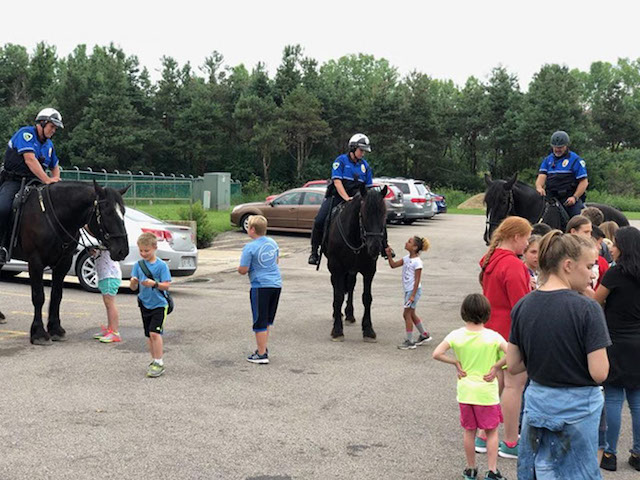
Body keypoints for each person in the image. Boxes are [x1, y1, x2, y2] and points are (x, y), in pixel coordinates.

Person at [508, 231, 611, 479]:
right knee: (577, 471)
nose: (592, 273)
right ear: (568, 265)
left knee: (540, 467)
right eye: (588, 266)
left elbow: (513, 365)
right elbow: (599, 373)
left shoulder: (524, 305)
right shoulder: (588, 309)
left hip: (538, 400)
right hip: (578, 405)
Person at [432, 293, 508, 480]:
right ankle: (492, 470)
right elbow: (513, 354)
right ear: (487, 313)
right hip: (487, 392)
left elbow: (437, 353)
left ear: (463, 313)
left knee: (469, 431)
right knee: (491, 432)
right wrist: (496, 366)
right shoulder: (493, 337)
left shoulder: (456, 335)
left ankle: (471, 468)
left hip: (466, 391)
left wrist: (455, 362)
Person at [478, 216, 532, 458]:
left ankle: (482, 435)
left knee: (497, 385)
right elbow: (521, 306)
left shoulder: (492, 260)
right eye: (527, 239)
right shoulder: (512, 264)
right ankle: (510, 442)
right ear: (516, 237)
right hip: (511, 333)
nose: (528, 244)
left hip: (492, 329)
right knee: (514, 386)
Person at [595, 227, 640, 472]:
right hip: (638, 342)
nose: (611, 248)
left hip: (616, 340)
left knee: (613, 398)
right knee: (637, 401)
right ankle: (638, 452)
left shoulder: (615, 274)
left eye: (614, 244)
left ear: (623, 247)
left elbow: (595, 300)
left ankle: (610, 453)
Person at [0, 108, 63, 263]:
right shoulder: (26, 134)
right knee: (3, 208)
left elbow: (55, 165)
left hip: (35, 183)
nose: (53, 130)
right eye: (52, 126)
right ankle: (1, 246)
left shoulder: (49, 145)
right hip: (13, 181)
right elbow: (30, 160)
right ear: (42, 123)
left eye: (55, 128)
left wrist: (55, 180)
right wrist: (47, 180)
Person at [308, 133, 374, 265]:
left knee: (375, 218)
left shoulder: (365, 166)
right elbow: (337, 182)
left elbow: (368, 188)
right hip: (338, 196)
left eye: (364, 151)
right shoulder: (341, 161)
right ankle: (314, 252)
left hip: (357, 198)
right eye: (361, 150)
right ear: (353, 148)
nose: (363, 154)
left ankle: (384, 247)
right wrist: (347, 198)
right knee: (319, 220)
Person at [238, 215, 282, 364]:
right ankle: (263, 347)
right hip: (276, 284)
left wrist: (240, 269)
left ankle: (261, 354)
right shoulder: (272, 242)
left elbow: (243, 269)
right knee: (267, 319)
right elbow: (276, 261)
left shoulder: (250, 247)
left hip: (260, 285)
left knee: (259, 319)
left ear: (252, 229)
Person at [130, 232, 172, 378]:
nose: (143, 253)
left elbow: (166, 285)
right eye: (141, 250)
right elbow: (133, 288)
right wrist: (133, 282)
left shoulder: (161, 266)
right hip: (144, 303)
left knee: (155, 333)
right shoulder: (138, 265)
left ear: (154, 248)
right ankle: (154, 360)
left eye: (146, 251)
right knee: (148, 335)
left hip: (159, 304)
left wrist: (154, 284)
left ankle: (159, 362)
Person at [384, 236, 432, 350]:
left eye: (409, 242)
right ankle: (424, 335)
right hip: (408, 291)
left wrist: (412, 296)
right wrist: (389, 255)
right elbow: (393, 265)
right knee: (412, 314)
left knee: (406, 314)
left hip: (413, 291)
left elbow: (417, 281)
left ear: (415, 247)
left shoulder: (418, 262)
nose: (406, 243)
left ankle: (410, 341)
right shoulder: (406, 258)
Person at [535, 130, 588, 218]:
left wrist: (575, 197)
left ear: (566, 146)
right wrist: (539, 187)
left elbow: (584, 182)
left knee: (578, 220)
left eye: (560, 147)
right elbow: (541, 176)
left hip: (569, 199)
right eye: (555, 147)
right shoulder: (548, 160)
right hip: (551, 197)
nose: (557, 149)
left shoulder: (575, 160)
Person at [566, 215, 609, 290]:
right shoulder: (561, 253)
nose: (589, 236)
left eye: (590, 232)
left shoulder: (598, 258)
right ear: (573, 232)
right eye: (586, 232)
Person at [91, 248, 122, 343]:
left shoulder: (108, 245)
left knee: (110, 304)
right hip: (105, 276)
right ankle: (110, 329)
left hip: (110, 276)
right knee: (108, 304)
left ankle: (115, 332)